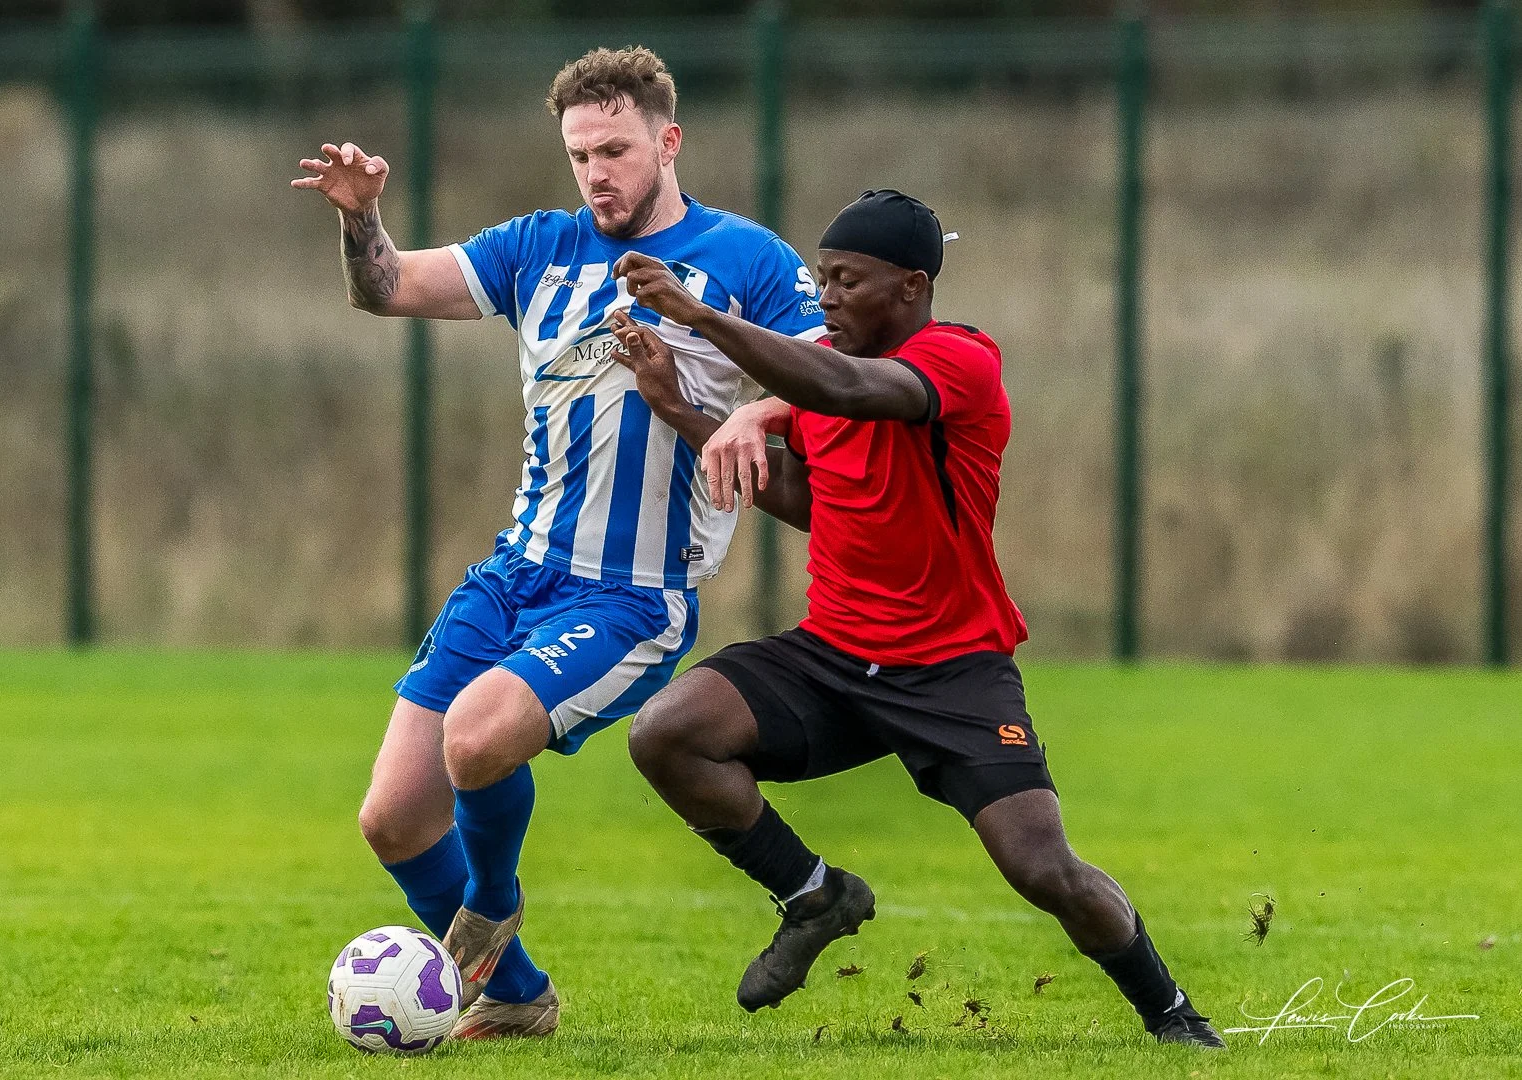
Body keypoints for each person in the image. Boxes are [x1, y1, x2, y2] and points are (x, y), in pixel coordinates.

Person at [606, 189, 1225, 1048]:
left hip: (951, 669)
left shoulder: (956, 358)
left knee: (1040, 868)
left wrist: (698, 315)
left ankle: (1170, 1014)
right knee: (667, 732)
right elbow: (818, 498)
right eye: (819, 279)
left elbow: (851, 389)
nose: (823, 297)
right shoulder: (824, 364)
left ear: (910, 286)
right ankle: (813, 896)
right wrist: (679, 408)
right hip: (832, 655)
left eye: (845, 280)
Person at [291, 46, 825, 1039]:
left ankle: (489, 909)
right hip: (513, 574)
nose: (596, 173)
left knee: (479, 737)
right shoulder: (537, 246)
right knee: (394, 818)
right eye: (580, 154)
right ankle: (518, 993)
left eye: (615, 150)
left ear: (667, 143)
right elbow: (387, 288)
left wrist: (760, 415)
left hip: (629, 596)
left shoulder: (742, 258)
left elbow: (829, 365)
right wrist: (360, 215)